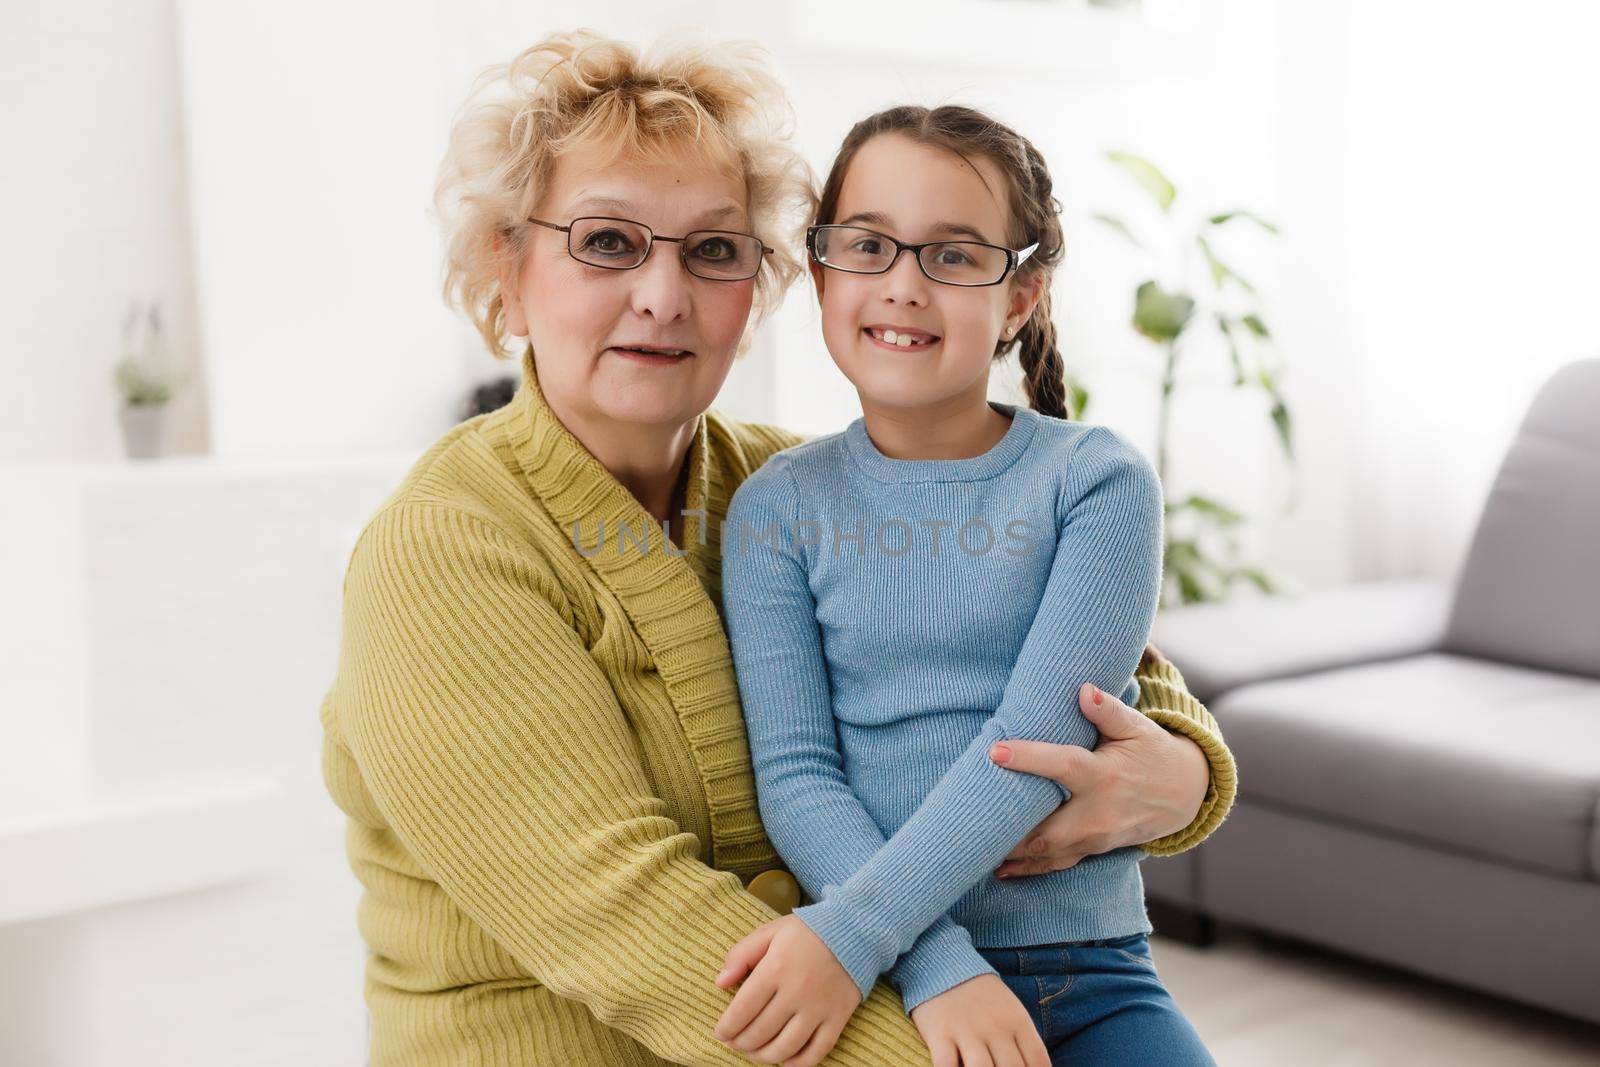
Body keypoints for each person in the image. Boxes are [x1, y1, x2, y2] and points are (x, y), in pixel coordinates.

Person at [318, 30, 1235, 1067]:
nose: (662, 295)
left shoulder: (782, 483)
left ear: (758, 286)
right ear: (507, 263)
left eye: (711, 250)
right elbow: (643, 934)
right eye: (608, 241)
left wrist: (1185, 774)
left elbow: (1082, 662)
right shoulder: (444, 551)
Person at [713, 105, 1221, 1067]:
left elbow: (1036, 736)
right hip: (880, 974)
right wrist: (929, 960)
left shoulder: (1097, 483)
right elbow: (795, 775)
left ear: (1021, 296)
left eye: (953, 256)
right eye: (867, 246)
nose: (903, 286)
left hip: (1088, 974)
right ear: (820, 271)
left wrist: (859, 930)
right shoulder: (775, 507)